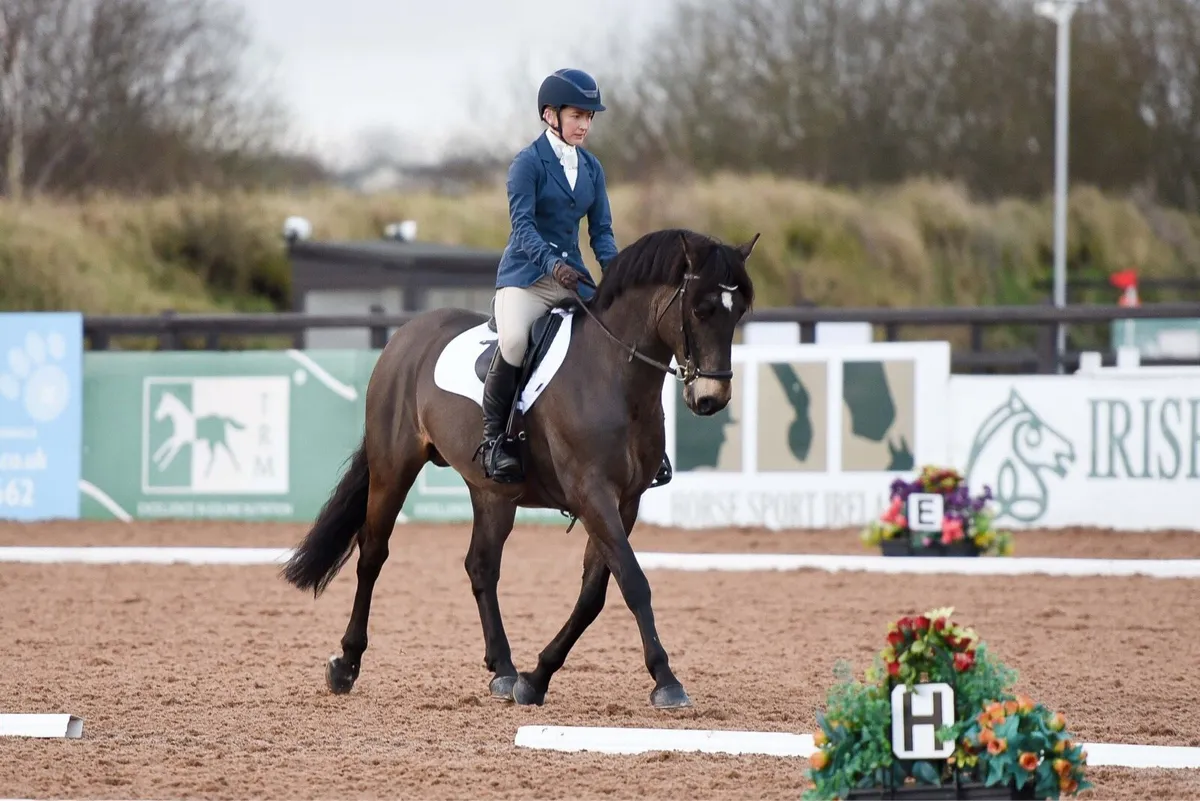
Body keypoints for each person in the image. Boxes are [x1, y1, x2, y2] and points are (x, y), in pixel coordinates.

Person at [477, 67, 674, 489]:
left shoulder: (591, 168)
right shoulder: (527, 165)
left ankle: (645, 444)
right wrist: (551, 265)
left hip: (574, 279)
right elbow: (523, 228)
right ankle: (495, 440)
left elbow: (601, 232)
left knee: (623, 336)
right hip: (527, 278)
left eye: (589, 117)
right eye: (577, 116)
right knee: (513, 341)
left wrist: (621, 279)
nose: (585, 124)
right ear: (551, 115)